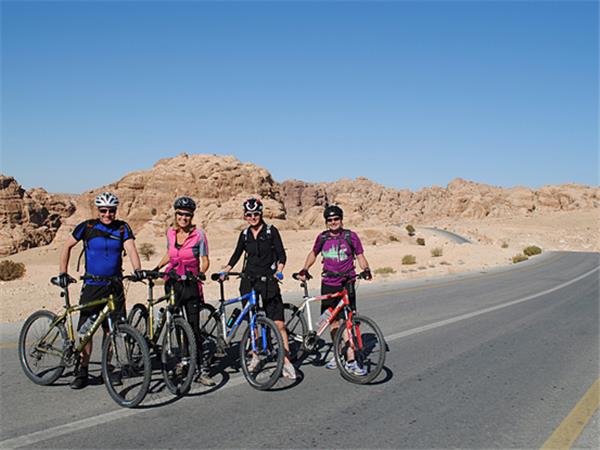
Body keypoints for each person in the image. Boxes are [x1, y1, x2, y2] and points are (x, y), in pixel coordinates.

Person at [58, 192, 142, 389]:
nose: (107, 214)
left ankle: (108, 367)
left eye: (111, 210)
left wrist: (137, 270)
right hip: (92, 286)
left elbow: (131, 249)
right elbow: (66, 246)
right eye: (103, 210)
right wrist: (62, 272)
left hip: (115, 285)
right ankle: (83, 370)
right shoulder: (88, 227)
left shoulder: (122, 228)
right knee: (86, 331)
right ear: (98, 211)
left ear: (115, 211)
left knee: (111, 329)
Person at [221, 197, 296, 380]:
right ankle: (255, 355)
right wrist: (226, 270)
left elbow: (281, 255)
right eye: (249, 215)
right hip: (249, 280)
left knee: (279, 323)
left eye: (256, 214)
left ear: (261, 213)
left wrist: (279, 271)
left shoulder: (271, 231)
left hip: (268, 280)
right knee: (252, 321)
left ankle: (286, 361)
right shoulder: (245, 234)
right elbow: (237, 253)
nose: (253, 217)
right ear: (245, 216)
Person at [297, 204, 372, 375]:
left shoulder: (350, 236)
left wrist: (366, 269)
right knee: (332, 321)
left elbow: (360, 256)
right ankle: (338, 353)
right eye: (329, 220)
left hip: (348, 282)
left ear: (341, 220)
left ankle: (350, 358)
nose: (333, 222)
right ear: (326, 222)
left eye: (336, 219)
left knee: (347, 319)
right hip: (329, 282)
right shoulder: (322, 238)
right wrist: (305, 268)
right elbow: (313, 254)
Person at [154, 196, 216, 387]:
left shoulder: (199, 235)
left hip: (190, 283)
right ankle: (183, 360)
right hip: (173, 282)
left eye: (187, 215)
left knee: (193, 326)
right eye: (180, 214)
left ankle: (201, 369)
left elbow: (205, 259)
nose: (183, 217)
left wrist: (202, 273)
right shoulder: (170, 234)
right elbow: (169, 254)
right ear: (176, 215)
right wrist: (157, 267)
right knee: (176, 323)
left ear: (192, 216)